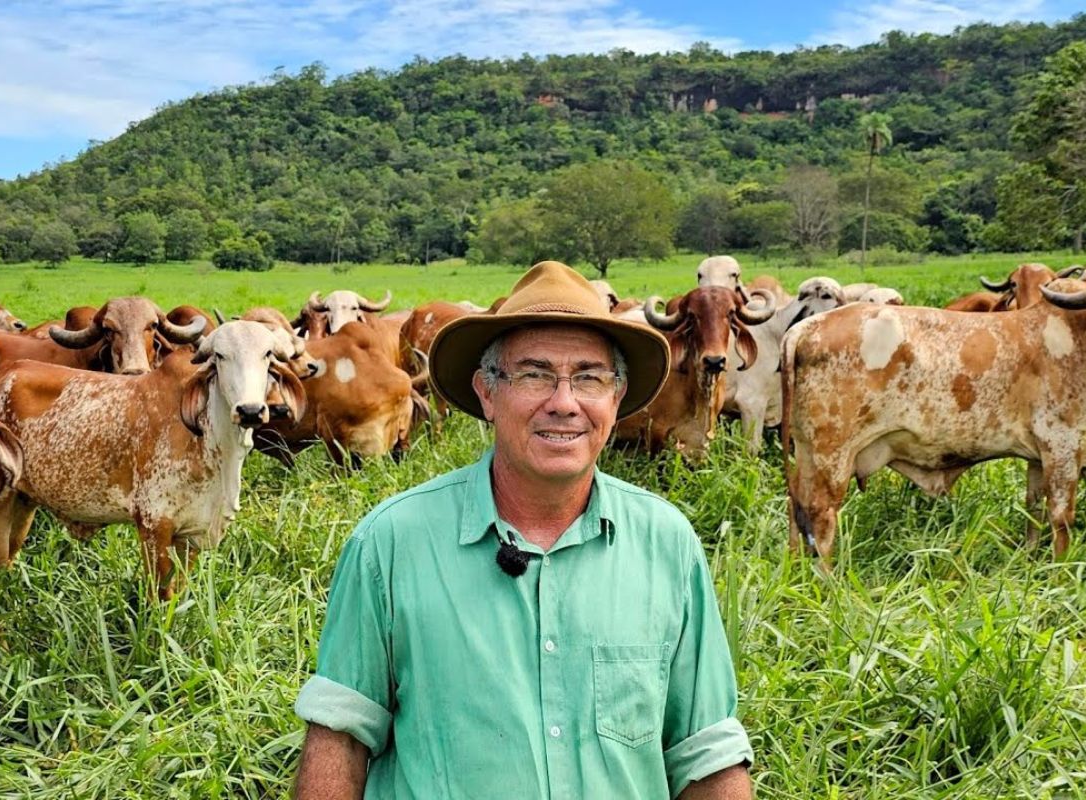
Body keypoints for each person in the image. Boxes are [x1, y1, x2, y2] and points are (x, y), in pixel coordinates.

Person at [293, 261, 753, 799]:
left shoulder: (667, 544)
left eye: (589, 377)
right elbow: (341, 739)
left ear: (616, 397)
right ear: (487, 393)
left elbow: (705, 751)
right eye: (534, 374)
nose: (563, 403)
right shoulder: (390, 544)